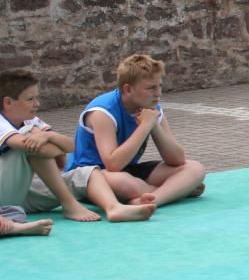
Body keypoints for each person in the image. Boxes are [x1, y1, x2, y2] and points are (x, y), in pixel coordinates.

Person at [1, 69, 155, 235]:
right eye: (31, 99)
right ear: (8, 102)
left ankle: (114, 208)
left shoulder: (30, 119)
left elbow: (69, 147)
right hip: (5, 195)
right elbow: (43, 151)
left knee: (86, 173)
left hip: (19, 195)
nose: (37, 104)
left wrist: (48, 135)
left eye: (36, 98)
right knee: (32, 139)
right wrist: (43, 140)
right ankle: (68, 205)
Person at [68, 54, 206, 207]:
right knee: (125, 183)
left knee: (195, 168)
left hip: (127, 170)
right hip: (91, 175)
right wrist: (145, 126)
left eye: (159, 86)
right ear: (127, 89)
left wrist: (154, 125)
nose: (158, 93)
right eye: (151, 88)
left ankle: (152, 200)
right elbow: (113, 164)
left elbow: (177, 159)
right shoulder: (102, 112)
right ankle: (177, 191)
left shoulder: (151, 106)